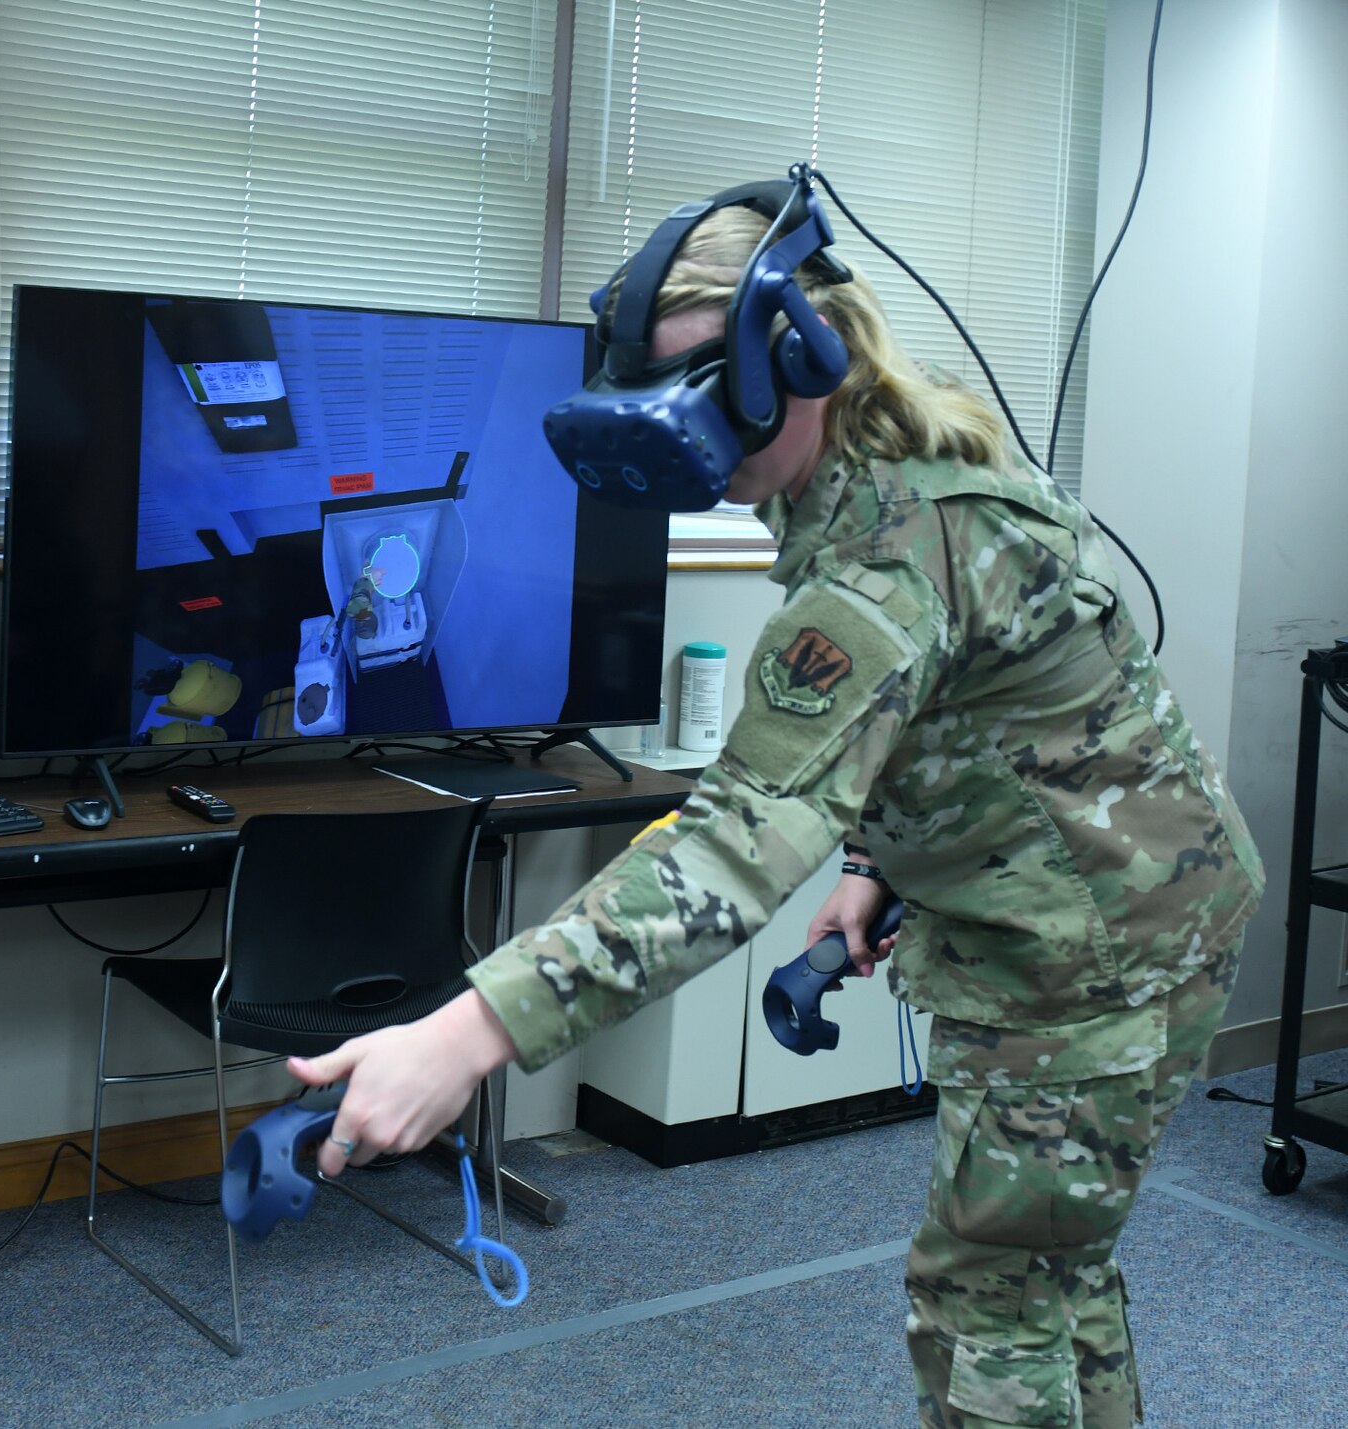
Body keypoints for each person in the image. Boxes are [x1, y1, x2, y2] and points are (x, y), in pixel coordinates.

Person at [288, 195, 1264, 1428]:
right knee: (1050, 1267)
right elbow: (976, 712)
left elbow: (730, 850)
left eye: (704, 381)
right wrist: (876, 858)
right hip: (1123, 901)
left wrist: (469, 1031)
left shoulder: (878, 561)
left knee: (988, 1298)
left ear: (802, 355)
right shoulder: (906, 456)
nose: (672, 423)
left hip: (1090, 958)